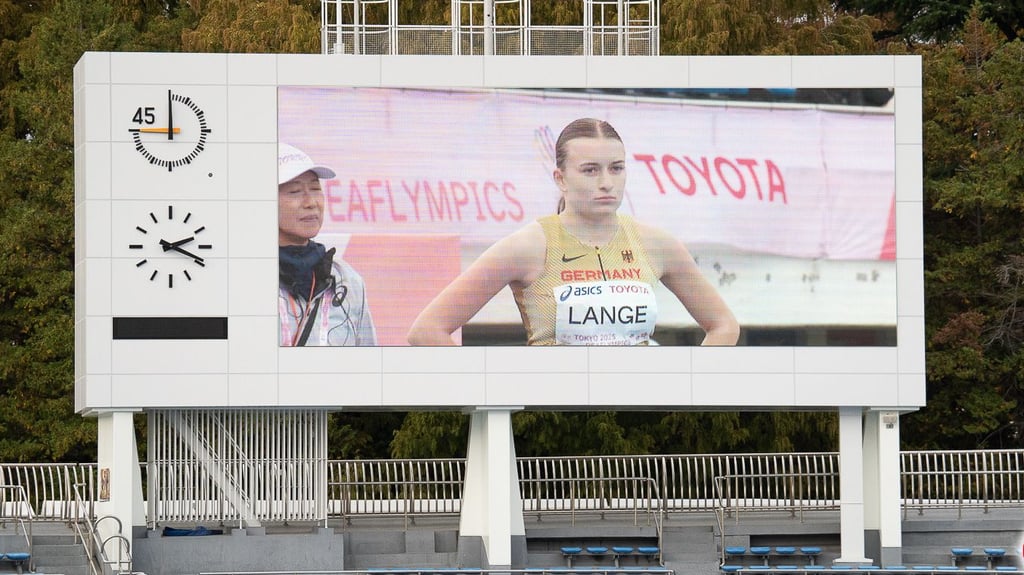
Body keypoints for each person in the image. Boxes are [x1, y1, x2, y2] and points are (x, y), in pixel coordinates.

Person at [407, 118, 739, 346]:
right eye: (590, 170)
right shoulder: (526, 247)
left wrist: (682, 390)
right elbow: (426, 331)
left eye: (616, 168)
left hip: (636, 424)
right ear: (560, 179)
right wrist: (493, 394)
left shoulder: (657, 244)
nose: (607, 182)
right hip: (552, 426)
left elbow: (724, 326)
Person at [278, 143, 377, 346]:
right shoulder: (241, 277)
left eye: (315, 189)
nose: (311, 202)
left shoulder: (346, 279)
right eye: (295, 192)